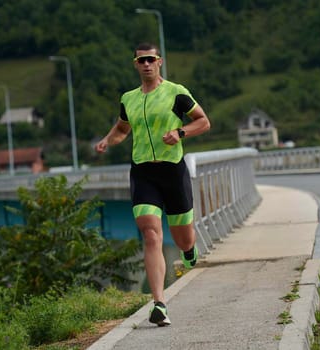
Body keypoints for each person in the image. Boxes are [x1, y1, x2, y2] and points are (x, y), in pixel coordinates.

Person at [94, 42, 211, 326]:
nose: (146, 64)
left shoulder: (176, 92)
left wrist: (180, 132)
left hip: (172, 171)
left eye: (150, 59)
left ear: (159, 61)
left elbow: (204, 122)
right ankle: (159, 303)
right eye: (140, 60)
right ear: (135, 64)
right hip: (143, 172)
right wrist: (109, 140)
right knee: (150, 234)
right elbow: (123, 127)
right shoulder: (129, 98)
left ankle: (188, 250)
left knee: (183, 237)